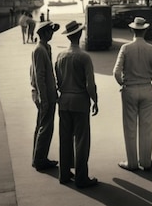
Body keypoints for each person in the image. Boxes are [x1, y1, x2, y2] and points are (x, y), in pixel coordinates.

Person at [55, 20, 99, 188]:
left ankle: (64, 174)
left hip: (64, 101)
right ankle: (81, 177)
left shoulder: (60, 56)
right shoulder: (84, 57)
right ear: (80, 35)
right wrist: (95, 99)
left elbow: (58, 80)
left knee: (65, 138)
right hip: (80, 101)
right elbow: (90, 84)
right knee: (81, 140)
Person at [113, 17, 152, 171]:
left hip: (130, 89)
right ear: (145, 30)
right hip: (147, 89)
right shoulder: (151, 49)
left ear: (132, 30)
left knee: (130, 127)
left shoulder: (125, 48)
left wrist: (123, 84)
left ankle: (131, 162)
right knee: (147, 127)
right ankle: (145, 161)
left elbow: (116, 72)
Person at [30, 21, 60, 172]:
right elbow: (39, 76)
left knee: (42, 126)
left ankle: (38, 157)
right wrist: (44, 99)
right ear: (45, 33)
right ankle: (40, 160)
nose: (52, 34)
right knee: (45, 127)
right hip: (45, 94)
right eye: (50, 31)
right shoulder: (39, 50)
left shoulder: (45, 48)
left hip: (48, 92)